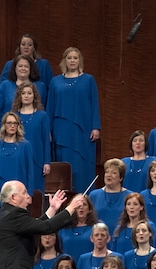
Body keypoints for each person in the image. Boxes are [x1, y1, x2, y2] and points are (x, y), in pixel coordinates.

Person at [46, 47, 101, 192]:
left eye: (75, 58)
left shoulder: (88, 80)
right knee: (64, 165)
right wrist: (48, 130)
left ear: (80, 61)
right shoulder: (55, 82)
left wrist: (96, 127)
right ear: (64, 60)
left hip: (83, 131)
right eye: (69, 58)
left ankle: (84, 200)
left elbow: (94, 104)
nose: (72, 61)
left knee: (82, 166)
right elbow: (49, 107)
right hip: (61, 130)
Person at [12, 82, 51, 192]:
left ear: (34, 96)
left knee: (35, 192)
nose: (26, 96)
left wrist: (46, 162)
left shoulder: (42, 116)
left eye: (29, 93)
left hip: (37, 160)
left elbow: (46, 140)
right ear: (19, 96)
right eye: (23, 93)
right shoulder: (14, 115)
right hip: (18, 160)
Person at [0, 112, 34, 197]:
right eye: (9, 123)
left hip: (18, 189)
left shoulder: (25, 145)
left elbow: (30, 171)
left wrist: (29, 193)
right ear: (4, 125)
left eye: (15, 123)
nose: (12, 126)